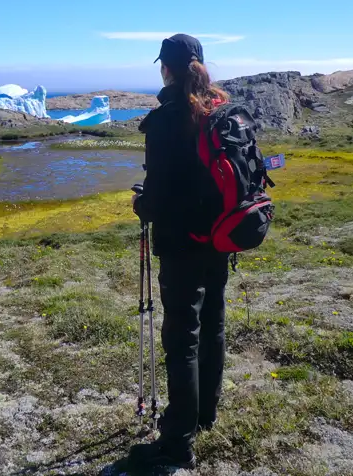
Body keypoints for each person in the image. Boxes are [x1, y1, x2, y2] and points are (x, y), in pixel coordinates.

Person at [129, 33, 231, 470]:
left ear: (167, 69)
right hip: (220, 239)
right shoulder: (221, 111)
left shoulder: (167, 119)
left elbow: (157, 197)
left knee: (181, 338)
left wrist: (140, 203)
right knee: (213, 325)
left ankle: (177, 441)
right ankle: (205, 414)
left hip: (181, 245)